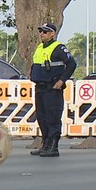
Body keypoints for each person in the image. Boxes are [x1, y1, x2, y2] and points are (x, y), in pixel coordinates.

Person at [29, 23, 77, 158]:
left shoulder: (58, 48)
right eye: (40, 31)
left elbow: (71, 64)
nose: (41, 34)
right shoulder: (40, 47)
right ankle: (45, 144)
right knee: (42, 118)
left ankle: (53, 147)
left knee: (52, 118)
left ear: (52, 34)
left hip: (52, 88)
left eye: (45, 32)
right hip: (40, 88)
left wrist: (61, 81)